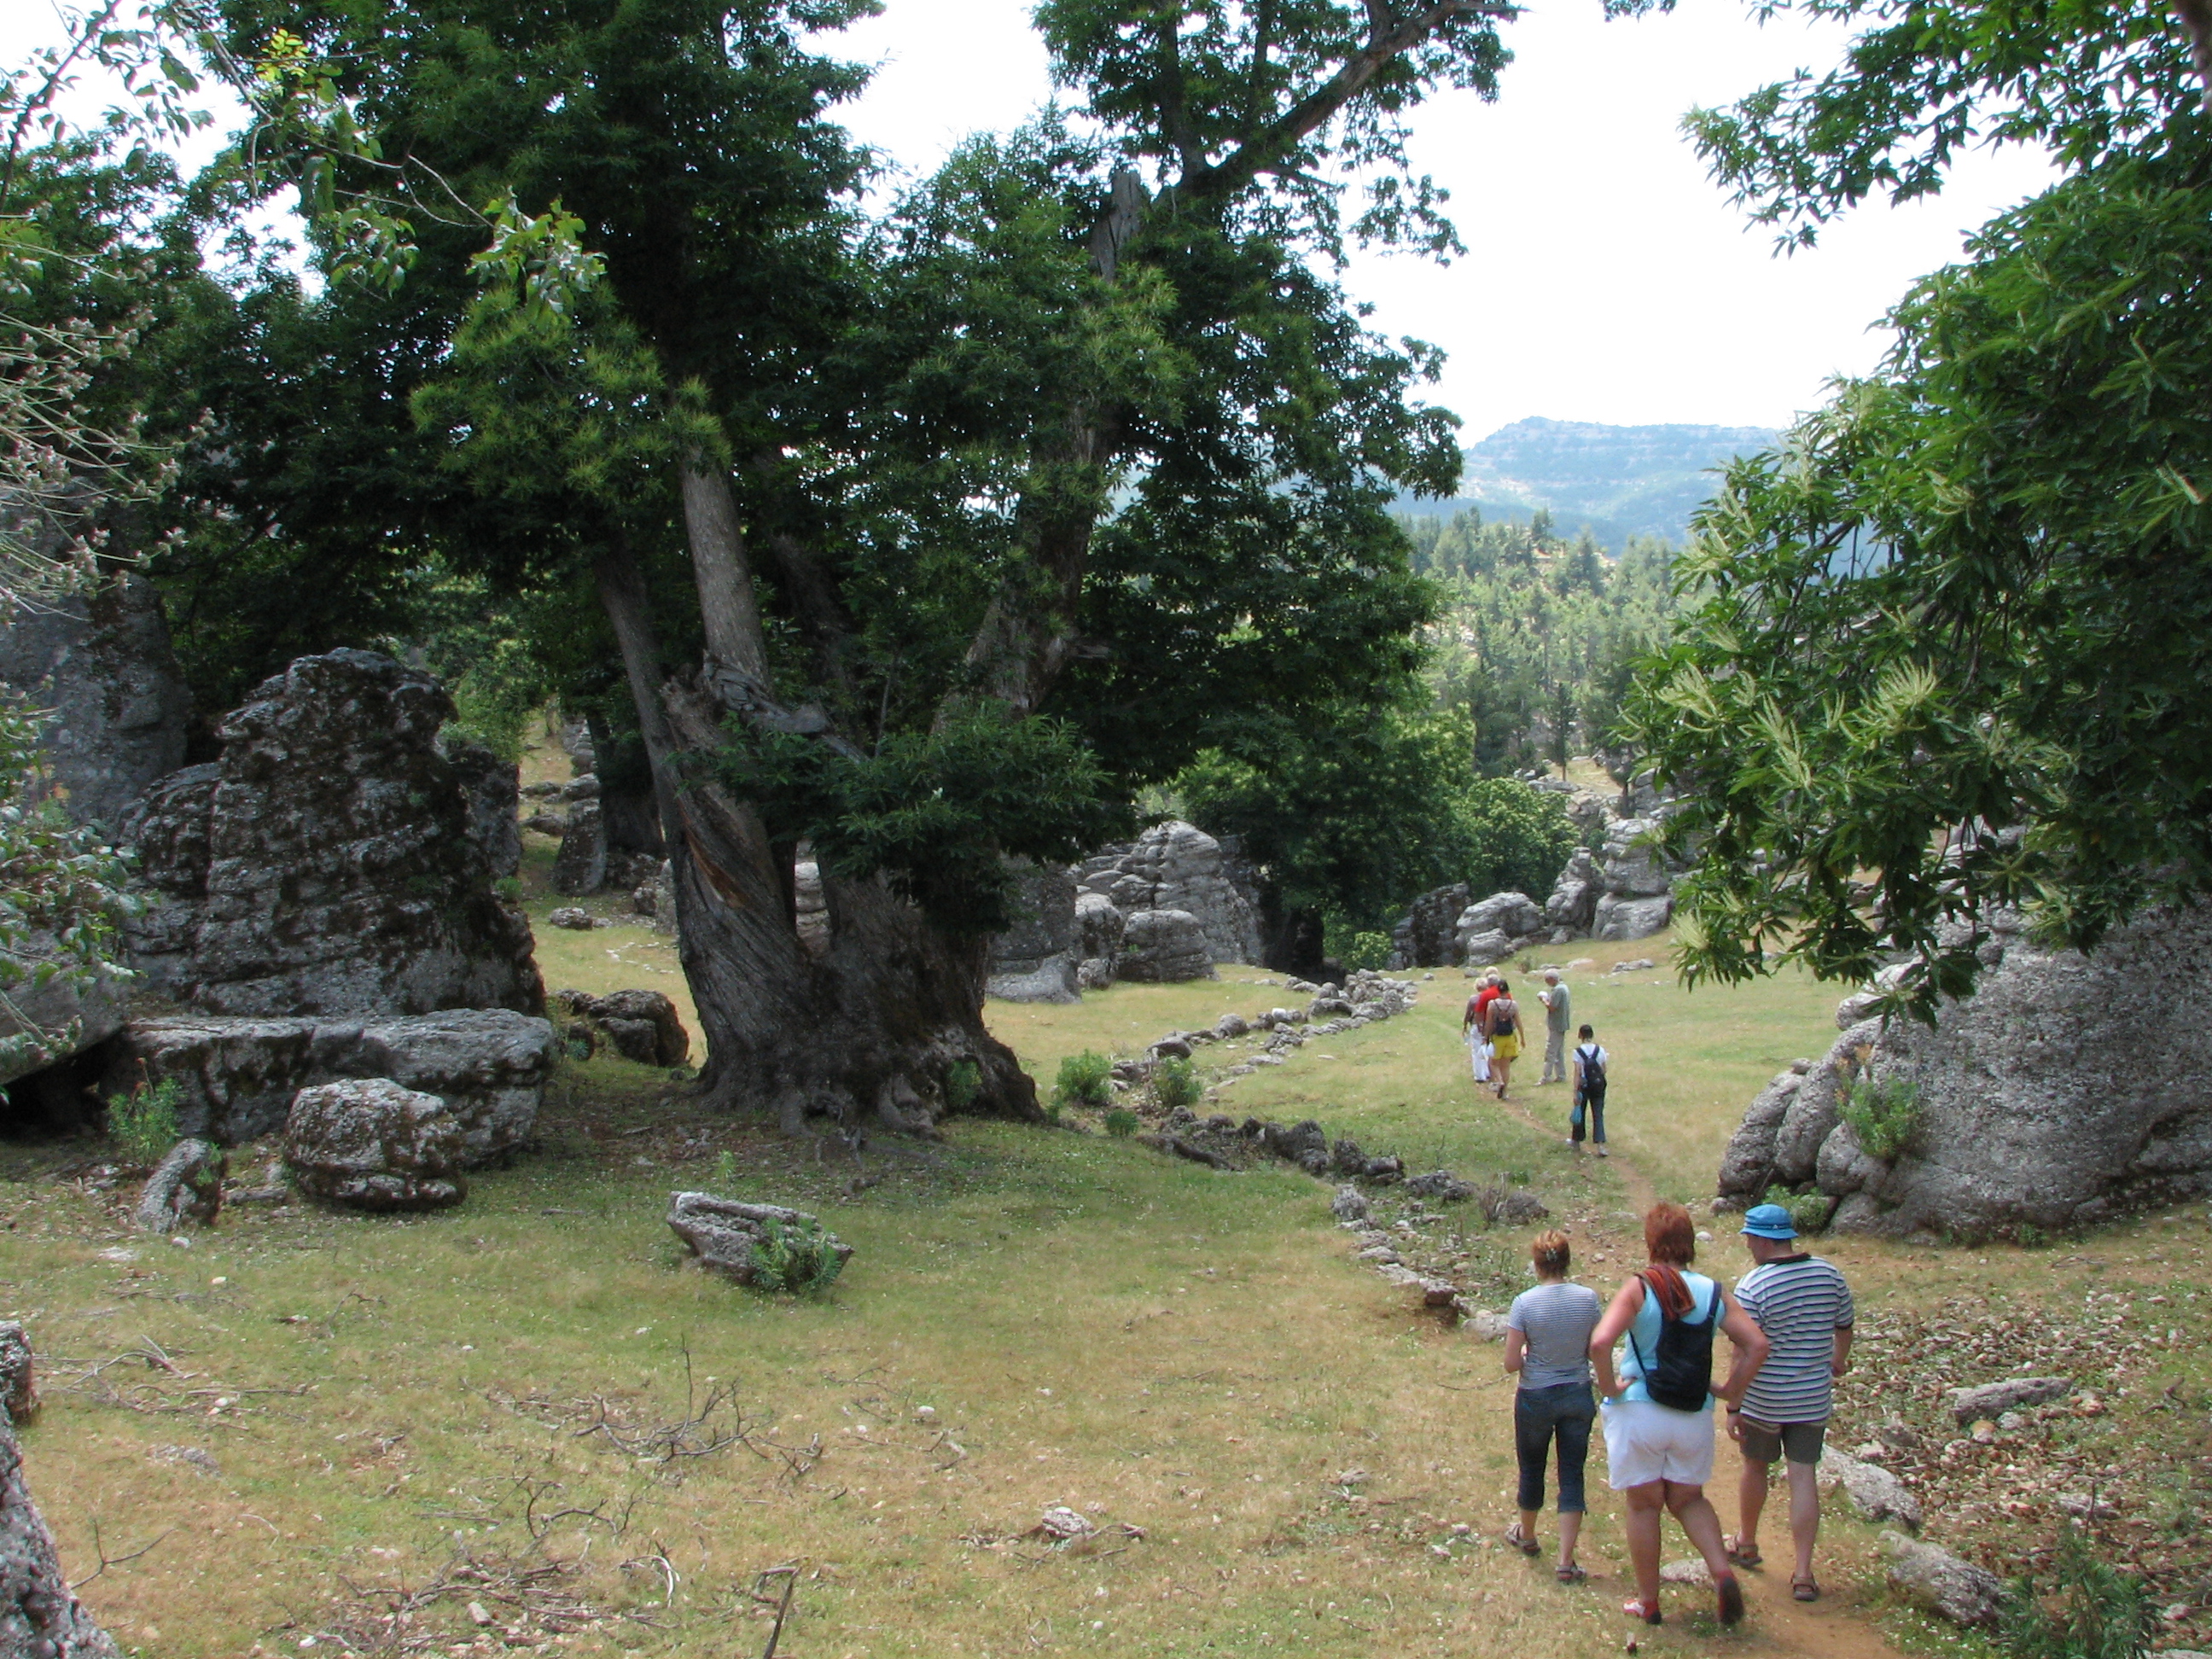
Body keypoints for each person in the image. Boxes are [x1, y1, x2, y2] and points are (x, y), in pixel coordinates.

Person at [1590, 1202, 1772, 1628]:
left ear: (1651, 1243)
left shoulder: (1641, 1286)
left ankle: (1649, 1602)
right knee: (1689, 1499)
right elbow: (1758, 1346)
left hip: (1641, 1410)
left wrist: (1609, 1387)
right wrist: (1731, 1393)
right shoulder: (1713, 1292)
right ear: (1690, 1245)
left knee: (1644, 1506)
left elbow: (1600, 1343)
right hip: (1692, 1413)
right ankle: (1722, 1572)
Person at [1726, 1202, 1856, 1603]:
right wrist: (1837, 1360)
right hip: (1812, 1398)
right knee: (1803, 1477)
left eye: (1749, 1237)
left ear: (1763, 1239)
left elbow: (1742, 1350)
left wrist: (1733, 1403)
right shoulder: (1829, 1275)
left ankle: (1746, 1542)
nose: (1748, 1244)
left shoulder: (1753, 1286)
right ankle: (1803, 1572)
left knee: (1755, 1468)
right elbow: (1844, 1324)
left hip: (1765, 1399)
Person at [1503, 1229, 1603, 1582]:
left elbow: (1512, 1362)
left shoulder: (1524, 1303)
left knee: (1532, 1467)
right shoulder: (1588, 1299)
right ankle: (1566, 1559)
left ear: (1536, 1263)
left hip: (1536, 1394)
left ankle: (1527, 1535)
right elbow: (1594, 1348)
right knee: (1571, 1473)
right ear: (1567, 1261)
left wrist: (1531, 1353)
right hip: (1576, 1392)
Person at [1570, 1024, 1609, 1156]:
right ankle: (1600, 1145)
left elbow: (1577, 1072)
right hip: (1598, 1085)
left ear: (1580, 1035)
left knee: (1580, 1111)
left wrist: (1575, 1091)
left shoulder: (1578, 1052)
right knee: (1598, 1114)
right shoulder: (1600, 1050)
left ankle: (1576, 1140)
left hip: (1584, 1085)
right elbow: (1604, 1070)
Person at [1484, 977, 1523, 1099]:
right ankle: (1505, 1091)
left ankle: (1499, 1081)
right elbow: (1518, 1022)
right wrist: (1522, 1037)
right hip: (1510, 1037)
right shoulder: (1513, 1005)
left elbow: (1489, 1022)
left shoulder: (1492, 1004)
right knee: (1505, 1065)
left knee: (1493, 1063)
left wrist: (1486, 1037)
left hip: (1497, 1037)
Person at [1461, 972, 1500, 1091]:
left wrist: (1464, 1026)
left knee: (1477, 1051)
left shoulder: (1473, 999)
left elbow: (1468, 1014)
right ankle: (1490, 1073)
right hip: (1490, 1027)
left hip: (1476, 1026)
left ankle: (1479, 1075)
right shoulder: (1492, 998)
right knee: (1489, 1050)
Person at [1538, 970, 1573, 1085]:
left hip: (1556, 1024)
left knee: (1551, 1051)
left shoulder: (1558, 990)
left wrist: (1543, 999)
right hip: (1562, 1023)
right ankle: (1561, 1075)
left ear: (1552, 979)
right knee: (1559, 1052)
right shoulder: (1564, 987)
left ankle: (1546, 1076)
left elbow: (1552, 1007)